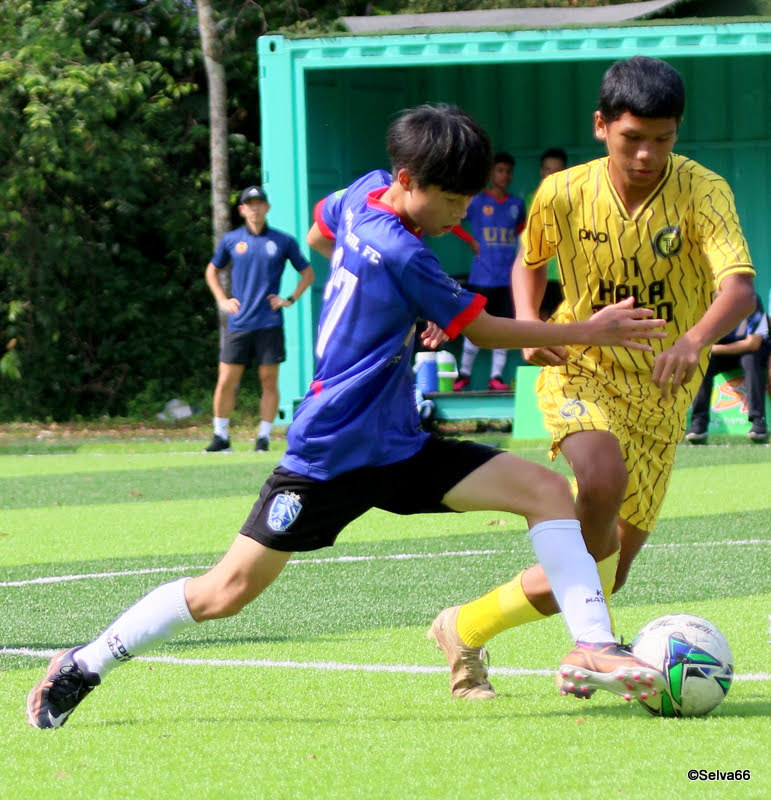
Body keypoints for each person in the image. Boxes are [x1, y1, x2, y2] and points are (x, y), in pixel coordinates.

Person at [26, 103, 669, 729]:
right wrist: (594, 329)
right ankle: (84, 662)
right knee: (224, 594)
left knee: (548, 492)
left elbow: (319, 231)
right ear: (410, 182)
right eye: (452, 200)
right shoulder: (406, 254)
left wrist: (387, 311)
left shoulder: (365, 193)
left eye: (470, 200)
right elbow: (490, 330)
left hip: (398, 447)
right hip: (328, 454)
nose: (462, 213)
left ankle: (593, 642)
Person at [429, 56, 757, 700]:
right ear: (601, 125)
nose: (647, 154)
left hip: (662, 392)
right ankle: (594, 647)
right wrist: (528, 323)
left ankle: (462, 627)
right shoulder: (563, 192)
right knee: (600, 481)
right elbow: (530, 262)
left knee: (606, 570)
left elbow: (739, 289)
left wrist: (694, 341)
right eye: (634, 138)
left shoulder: (704, 190)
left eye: (663, 139)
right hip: (582, 367)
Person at [204, 185, 315, 453]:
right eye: (249, 204)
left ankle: (263, 438)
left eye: (259, 203)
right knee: (226, 380)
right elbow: (211, 270)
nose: (255, 208)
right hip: (239, 323)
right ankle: (221, 436)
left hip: (269, 323)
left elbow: (308, 273)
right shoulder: (232, 240)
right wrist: (222, 299)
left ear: (267, 207)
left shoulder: (282, 241)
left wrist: (289, 299)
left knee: (268, 380)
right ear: (242, 210)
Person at [451, 152, 527, 391]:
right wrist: (470, 241)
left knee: (503, 327)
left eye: (508, 171)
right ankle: (463, 374)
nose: (505, 176)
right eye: (500, 170)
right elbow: (453, 221)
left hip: (506, 278)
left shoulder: (517, 204)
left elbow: (525, 232)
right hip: (482, 277)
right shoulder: (477, 202)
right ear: (492, 174)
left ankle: (496, 377)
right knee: (474, 325)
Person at [685, 293, 769, 443]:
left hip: (749, 352)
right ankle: (698, 424)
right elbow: (701, 339)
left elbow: (753, 343)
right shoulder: (706, 301)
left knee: (750, 359)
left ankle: (759, 422)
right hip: (722, 351)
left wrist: (712, 350)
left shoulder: (751, 300)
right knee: (704, 361)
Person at [523, 148, 568, 320]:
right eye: (548, 170)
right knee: (539, 320)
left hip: (566, 274)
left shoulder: (575, 199)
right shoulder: (530, 200)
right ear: (542, 171)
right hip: (540, 272)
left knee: (565, 322)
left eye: (556, 170)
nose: (551, 175)